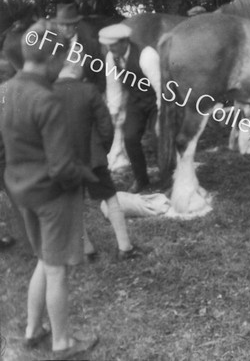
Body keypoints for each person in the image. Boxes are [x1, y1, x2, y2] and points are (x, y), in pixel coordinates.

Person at [0, 24, 98, 358]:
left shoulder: (6, 90)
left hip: (21, 190)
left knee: (43, 260)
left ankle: (32, 329)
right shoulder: (47, 99)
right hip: (52, 196)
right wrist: (85, 174)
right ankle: (63, 343)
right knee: (57, 270)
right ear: (52, 58)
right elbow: (61, 168)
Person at [54, 62, 143, 261]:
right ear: (76, 70)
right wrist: (103, 149)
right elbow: (105, 126)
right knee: (110, 198)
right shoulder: (88, 90)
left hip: (65, 159)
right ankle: (125, 247)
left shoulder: (48, 93)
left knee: (73, 204)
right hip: (93, 158)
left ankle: (87, 250)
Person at [99, 23, 161, 193]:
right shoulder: (111, 58)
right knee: (130, 138)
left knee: (158, 138)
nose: (110, 49)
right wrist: (113, 113)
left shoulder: (146, 55)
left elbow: (160, 87)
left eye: (113, 45)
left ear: (124, 42)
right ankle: (142, 179)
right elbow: (113, 87)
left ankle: (167, 178)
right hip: (135, 101)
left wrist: (162, 116)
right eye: (108, 46)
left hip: (156, 100)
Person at [52, 3, 105, 90]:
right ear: (57, 25)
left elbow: (101, 74)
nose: (65, 28)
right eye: (62, 25)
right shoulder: (52, 46)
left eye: (69, 25)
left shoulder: (91, 45)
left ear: (76, 24)